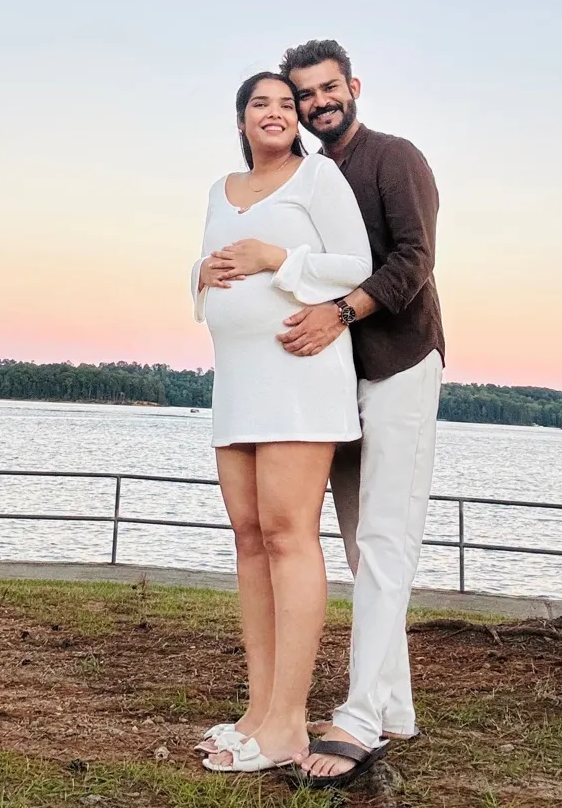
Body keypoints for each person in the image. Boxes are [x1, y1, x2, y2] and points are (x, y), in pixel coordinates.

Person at [190, 70, 374, 775]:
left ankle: (288, 721)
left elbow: (356, 264)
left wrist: (276, 259)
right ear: (240, 120)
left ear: (297, 119)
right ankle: (258, 708)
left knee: (287, 534)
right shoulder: (220, 190)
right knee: (248, 536)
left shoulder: (319, 177)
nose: (274, 112)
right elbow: (208, 266)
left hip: (299, 377)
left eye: (285, 103)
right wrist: (199, 274)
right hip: (237, 380)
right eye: (259, 103)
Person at [277, 39, 444, 789]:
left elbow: (414, 260)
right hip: (334, 380)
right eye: (304, 94)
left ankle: (361, 716)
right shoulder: (312, 177)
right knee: (359, 547)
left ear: (353, 86)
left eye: (328, 87)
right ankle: (394, 704)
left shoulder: (394, 157)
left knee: (384, 542)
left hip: (401, 362)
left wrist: (341, 311)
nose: (318, 102)